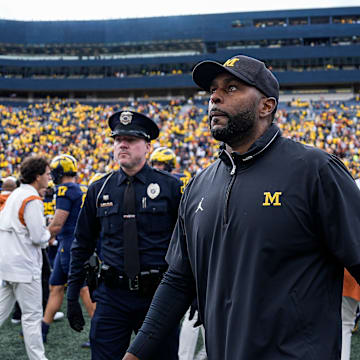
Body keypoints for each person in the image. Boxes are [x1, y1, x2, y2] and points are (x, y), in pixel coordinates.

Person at [122, 54, 360, 360]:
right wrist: (136, 353)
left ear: (266, 106)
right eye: (212, 90)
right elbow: (180, 280)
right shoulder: (198, 185)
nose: (215, 97)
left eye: (232, 88)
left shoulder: (315, 171)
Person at [66, 110, 182, 359]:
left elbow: (188, 244)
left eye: (130, 139)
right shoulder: (99, 189)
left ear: (147, 147)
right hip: (111, 296)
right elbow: (82, 244)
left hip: (158, 296)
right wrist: (72, 293)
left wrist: (194, 293)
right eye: (118, 140)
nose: (122, 145)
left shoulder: (171, 187)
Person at [150, 147, 205, 360]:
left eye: (161, 165)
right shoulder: (183, 183)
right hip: (173, 256)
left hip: (179, 254)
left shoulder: (174, 185)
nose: (158, 169)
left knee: (194, 313)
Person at [0, 155, 51, 360]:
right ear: (38, 177)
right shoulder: (32, 199)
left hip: (7, 262)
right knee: (32, 317)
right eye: (47, 174)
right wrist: (48, 234)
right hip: (24, 265)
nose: (49, 178)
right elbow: (39, 237)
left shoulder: (15, 195)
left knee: (2, 311)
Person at [42, 154, 94, 343]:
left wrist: (46, 235)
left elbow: (58, 223)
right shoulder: (82, 187)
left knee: (83, 289)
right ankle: (42, 330)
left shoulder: (65, 189)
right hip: (72, 244)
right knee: (56, 287)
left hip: (71, 246)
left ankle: (99, 332)